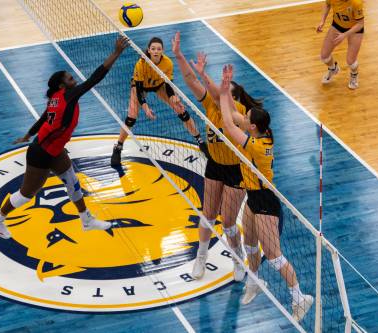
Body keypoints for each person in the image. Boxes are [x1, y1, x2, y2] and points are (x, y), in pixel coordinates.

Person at [0, 37, 129, 239]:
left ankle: (86, 219)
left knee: (72, 181)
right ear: (63, 85)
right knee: (27, 194)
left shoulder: (56, 98)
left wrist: (28, 133)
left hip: (53, 149)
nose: (75, 80)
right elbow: (95, 79)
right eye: (71, 79)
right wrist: (116, 52)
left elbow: (44, 118)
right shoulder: (68, 95)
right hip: (41, 153)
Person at [219, 64, 314, 322]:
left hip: (265, 202)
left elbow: (228, 123)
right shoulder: (265, 132)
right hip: (253, 197)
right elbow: (236, 118)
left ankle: (300, 297)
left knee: (273, 255)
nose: (244, 117)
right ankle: (254, 281)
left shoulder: (258, 147)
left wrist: (220, 95)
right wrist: (227, 90)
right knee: (249, 242)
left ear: (253, 127)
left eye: (247, 117)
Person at [171, 32, 264, 281]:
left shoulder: (241, 113)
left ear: (232, 98)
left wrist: (215, 82)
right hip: (215, 165)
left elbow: (223, 99)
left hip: (236, 171)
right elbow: (191, 81)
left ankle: (237, 261)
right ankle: (200, 258)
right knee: (208, 214)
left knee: (229, 222)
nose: (219, 94)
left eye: (225, 91)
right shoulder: (211, 106)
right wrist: (179, 55)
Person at [111, 36, 209, 166]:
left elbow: (168, 84)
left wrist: (173, 96)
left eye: (159, 49)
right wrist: (145, 107)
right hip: (141, 87)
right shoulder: (141, 64)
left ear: (162, 51)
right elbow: (139, 89)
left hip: (159, 86)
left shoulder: (167, 63)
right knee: (131, 116)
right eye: (153, 49)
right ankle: (118, 147)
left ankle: (200, 140)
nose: (156, 51)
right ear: (149, 50)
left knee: (181, 110)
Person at [317, 0, 364, 89]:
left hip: (355, 29)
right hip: (337, 25)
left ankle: (354, 74)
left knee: (351, 61)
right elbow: (327, 5)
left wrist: (344, 35)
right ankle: (333, 68)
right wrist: (322, 21)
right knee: (324, 56)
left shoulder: (356, 2)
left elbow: (360, 24)